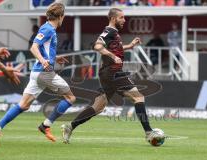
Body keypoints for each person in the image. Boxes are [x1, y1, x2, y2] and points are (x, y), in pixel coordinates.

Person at [61, 8, 160, 144]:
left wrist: (130, 46)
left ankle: (69, 127)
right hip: (113, 73)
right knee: (138, 97)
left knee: (98, 107)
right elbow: (97, 46)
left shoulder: (114, 34)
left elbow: (115, 48)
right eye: (122, 17)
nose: (124, 20)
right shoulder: (109, 31)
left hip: (108, 74)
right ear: (113, 19)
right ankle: (149, 132)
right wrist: (113, 57)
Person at [0, 2, 76, 146]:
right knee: (70, 98)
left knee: (24, 105)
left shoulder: (47, 28)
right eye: (63, 16)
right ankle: (46, 125)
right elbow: (33, 47)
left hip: (37, 73)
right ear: (60, 16)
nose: (63, 19)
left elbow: (42, 49)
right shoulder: (48, 29)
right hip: (44, 73)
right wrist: (44, 61)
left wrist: (54, 58)